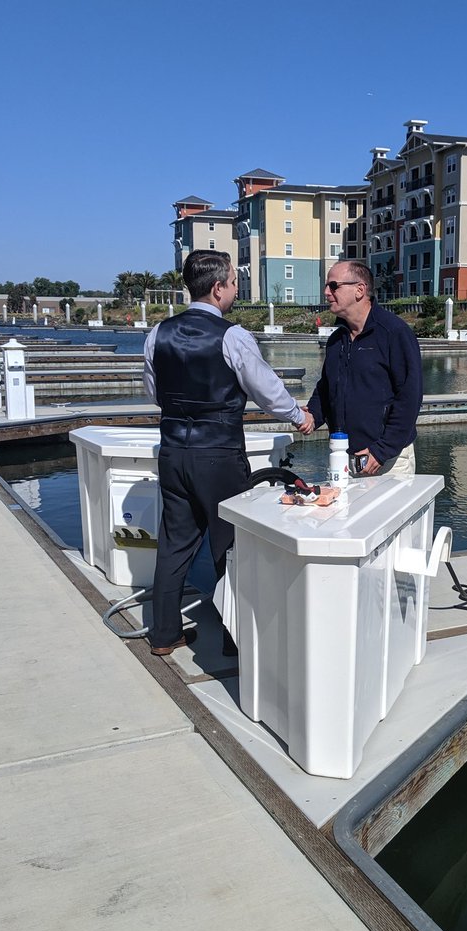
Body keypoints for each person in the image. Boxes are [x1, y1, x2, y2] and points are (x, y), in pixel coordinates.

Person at [143, 250, 312, 655]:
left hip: (173, 450)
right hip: (217, 452)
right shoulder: (232, 336)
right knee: (231, 543)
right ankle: (236, 638)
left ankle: (164, 635)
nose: (237, 289)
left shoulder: (157, 334)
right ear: (218, 288)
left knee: (175, 543)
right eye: (234, 282)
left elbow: (155, 393)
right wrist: (296, 414)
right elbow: (265, 388)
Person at [303, 261, 422, 476]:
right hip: (344, 458)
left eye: (333, 286)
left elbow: (409, 398)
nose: (326, 292)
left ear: (360, 290)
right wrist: (312, 414)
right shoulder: (336, 340)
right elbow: (326, 387)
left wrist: (381, 451)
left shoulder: (394, 332)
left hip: (388, 460)